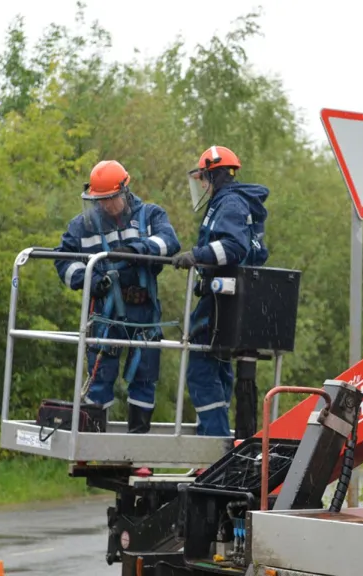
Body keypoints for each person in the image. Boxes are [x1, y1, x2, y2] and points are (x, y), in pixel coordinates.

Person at [54, 160, 181, 434]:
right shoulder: (82, 226)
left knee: (144, 375)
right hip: (105, 312)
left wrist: (137, 250)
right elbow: (63, 261)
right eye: (100, 200)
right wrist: (89, 280)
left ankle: (138, 441)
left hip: (144, 312)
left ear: (124, 190)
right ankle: (93, 438)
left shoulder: (151, 215)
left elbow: (169, 242)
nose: (106, 205)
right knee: (100, 375)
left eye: (110, 198)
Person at [171, 145, 270, 437]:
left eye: (203, 178)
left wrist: (197, 255)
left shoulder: (230, 204)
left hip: (220, 301)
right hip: (227, 300)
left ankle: (214, 441)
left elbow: (234, 247)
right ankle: (218, 437)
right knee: (218, 368)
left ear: (214, 175)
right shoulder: (234, 202)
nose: (202, 185)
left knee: (201, 371)